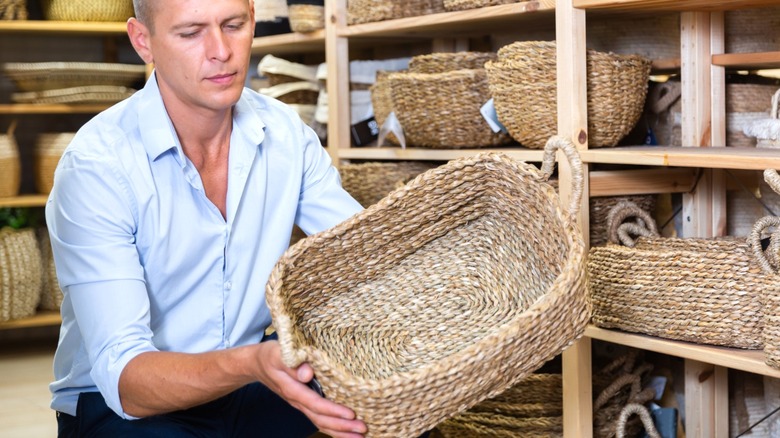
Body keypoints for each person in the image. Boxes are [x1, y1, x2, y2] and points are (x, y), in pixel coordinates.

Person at [46, 0, 368, 436]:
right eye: (190, 33)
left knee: (398, 405)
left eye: (233, 25)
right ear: (144, 41)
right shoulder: (96, 167)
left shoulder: (287, 135)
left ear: (252, 20)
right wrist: (252, 363)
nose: (221, 50)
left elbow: (369, 254)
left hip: (251, 377)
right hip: (125, 404)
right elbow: (126, 381)